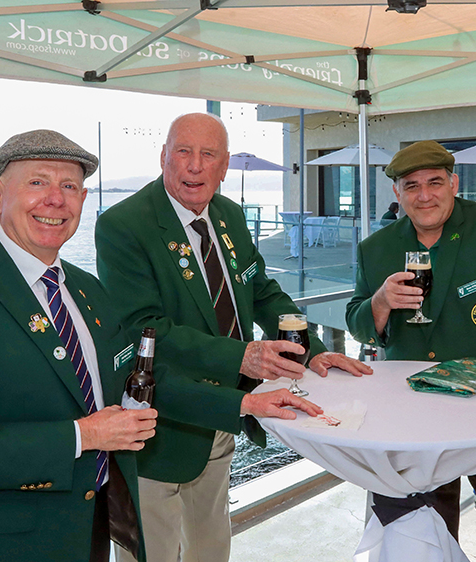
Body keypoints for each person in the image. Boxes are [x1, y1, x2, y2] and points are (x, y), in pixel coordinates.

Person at [95, 113, 370, 562]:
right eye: (183, 152)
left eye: (208, 155)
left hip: (223, 416)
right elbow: (144, 329)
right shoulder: (123, 225)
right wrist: (242, 357)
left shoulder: (228, 215)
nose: (195, 166)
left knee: (210, 548)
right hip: (158, 431)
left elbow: (261, 290)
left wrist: (313, 351)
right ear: (163, 157)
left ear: (224, 166)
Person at [0, 130, 158, 562]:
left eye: (69, 186)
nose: (55, 200)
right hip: (6, 548)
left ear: (83, 199)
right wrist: (84, 435)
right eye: (38, 182)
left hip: (90, 534)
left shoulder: (88, 288)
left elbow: (129, 380)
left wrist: (244, 403)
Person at [346, 141, 476, 562]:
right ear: (397, 193)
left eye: (435, 183)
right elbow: (356, 320)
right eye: (412, 186)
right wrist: (381, 302)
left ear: (454, 184)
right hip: (414, 407)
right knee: (427, 517)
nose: (425, 195)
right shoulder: (375, 248)